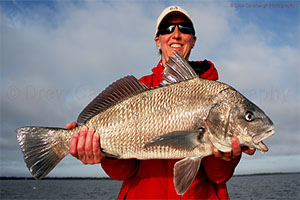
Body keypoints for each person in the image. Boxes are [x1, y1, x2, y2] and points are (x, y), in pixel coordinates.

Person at [66, 5, 256, 199]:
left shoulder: (215, 93)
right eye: (167, 28)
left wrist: (225, 159)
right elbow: (125, 173)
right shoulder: (139, 91)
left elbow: (217, 176)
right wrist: (103, 156)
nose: (176, 34)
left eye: (185, 28)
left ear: (193, 40)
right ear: (158, 40)